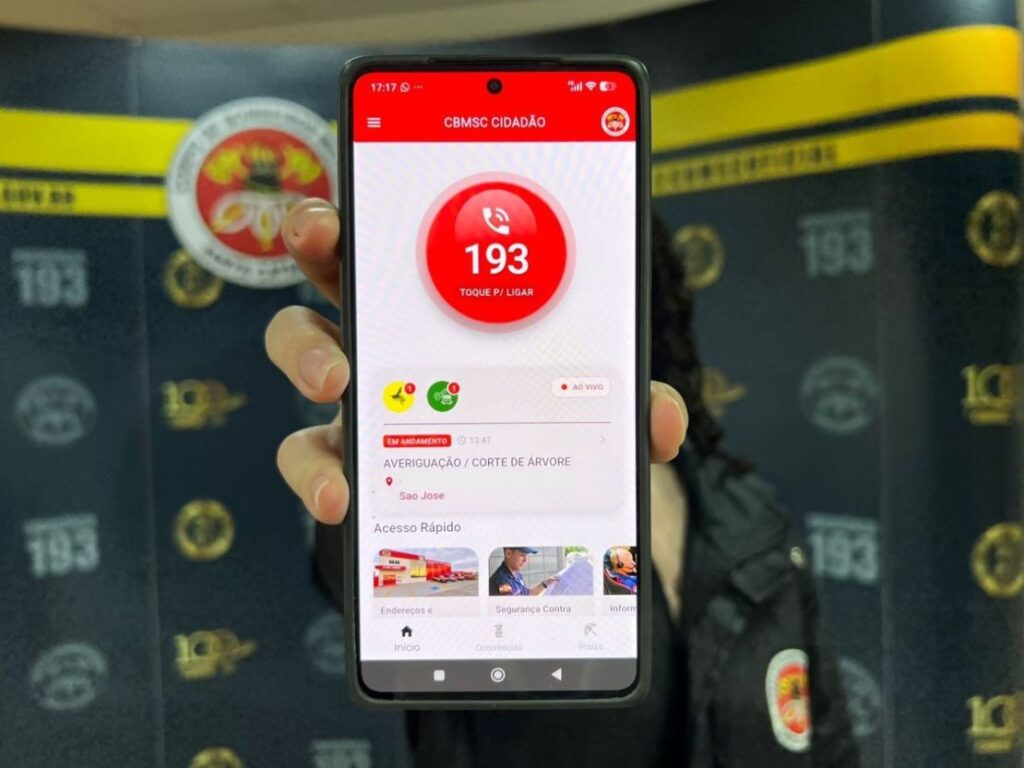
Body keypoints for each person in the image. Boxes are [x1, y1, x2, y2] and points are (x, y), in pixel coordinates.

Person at [265, 198, 858, 767]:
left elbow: (827, 742)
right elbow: (380, 581)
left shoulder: (749, 514)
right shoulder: (476, 502)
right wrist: (386, 460)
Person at [488, 547, 560, 596]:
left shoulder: (516, 573)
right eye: (522, 555)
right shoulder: (502, 582)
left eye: (527, 555)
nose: (525, 560)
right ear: (508, 553)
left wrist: (546, 583)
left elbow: (528, 594)